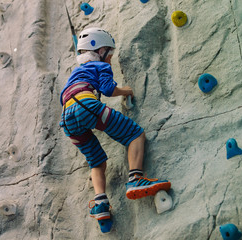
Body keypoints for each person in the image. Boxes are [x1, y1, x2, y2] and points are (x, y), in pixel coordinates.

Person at [60, 27, 171, 230]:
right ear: (100, 50)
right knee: (135, 134)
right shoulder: (99, 66)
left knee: (96, 161)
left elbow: (65, 97)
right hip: (85, 104)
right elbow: (108, 89)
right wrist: (125, 90)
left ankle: (101, 203)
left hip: (67, 120)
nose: (110, 59)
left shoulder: (75, 73)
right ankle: (136, 179)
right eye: (109, 54)